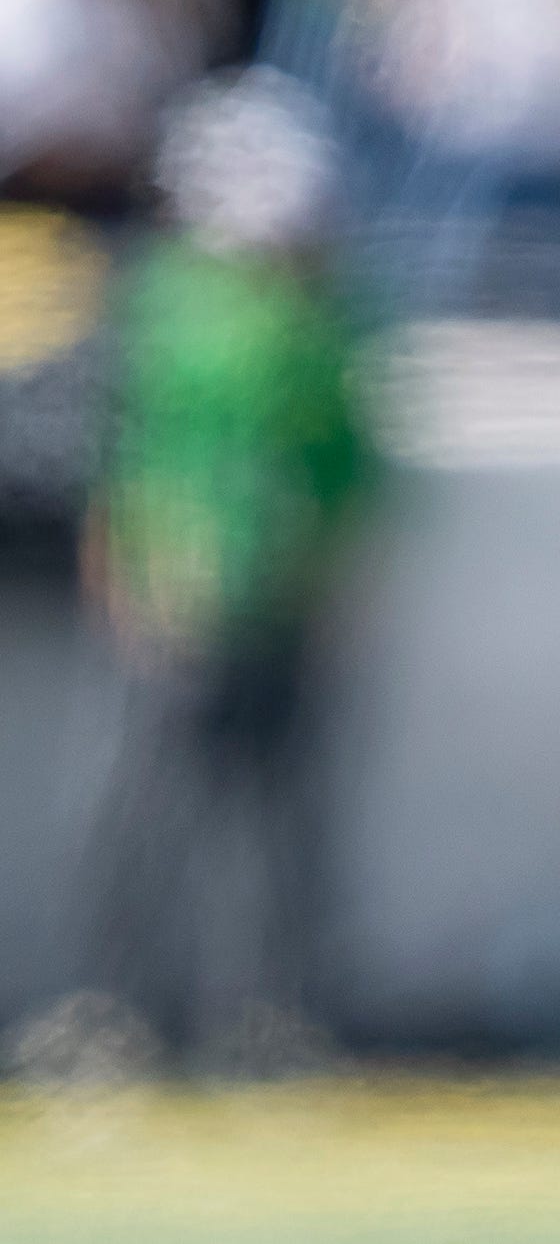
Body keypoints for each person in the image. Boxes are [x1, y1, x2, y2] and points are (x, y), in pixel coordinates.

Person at [16, 70, 375, 1084]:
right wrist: (127, 569)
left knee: (276, 827)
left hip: (277, 596)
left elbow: (346, 473)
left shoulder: (322, 318)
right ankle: (109, 1012)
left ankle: (275, 1016)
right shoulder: (165, 299)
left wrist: (333, 590)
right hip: (171, 595)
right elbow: (123, 453)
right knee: (131, 819)